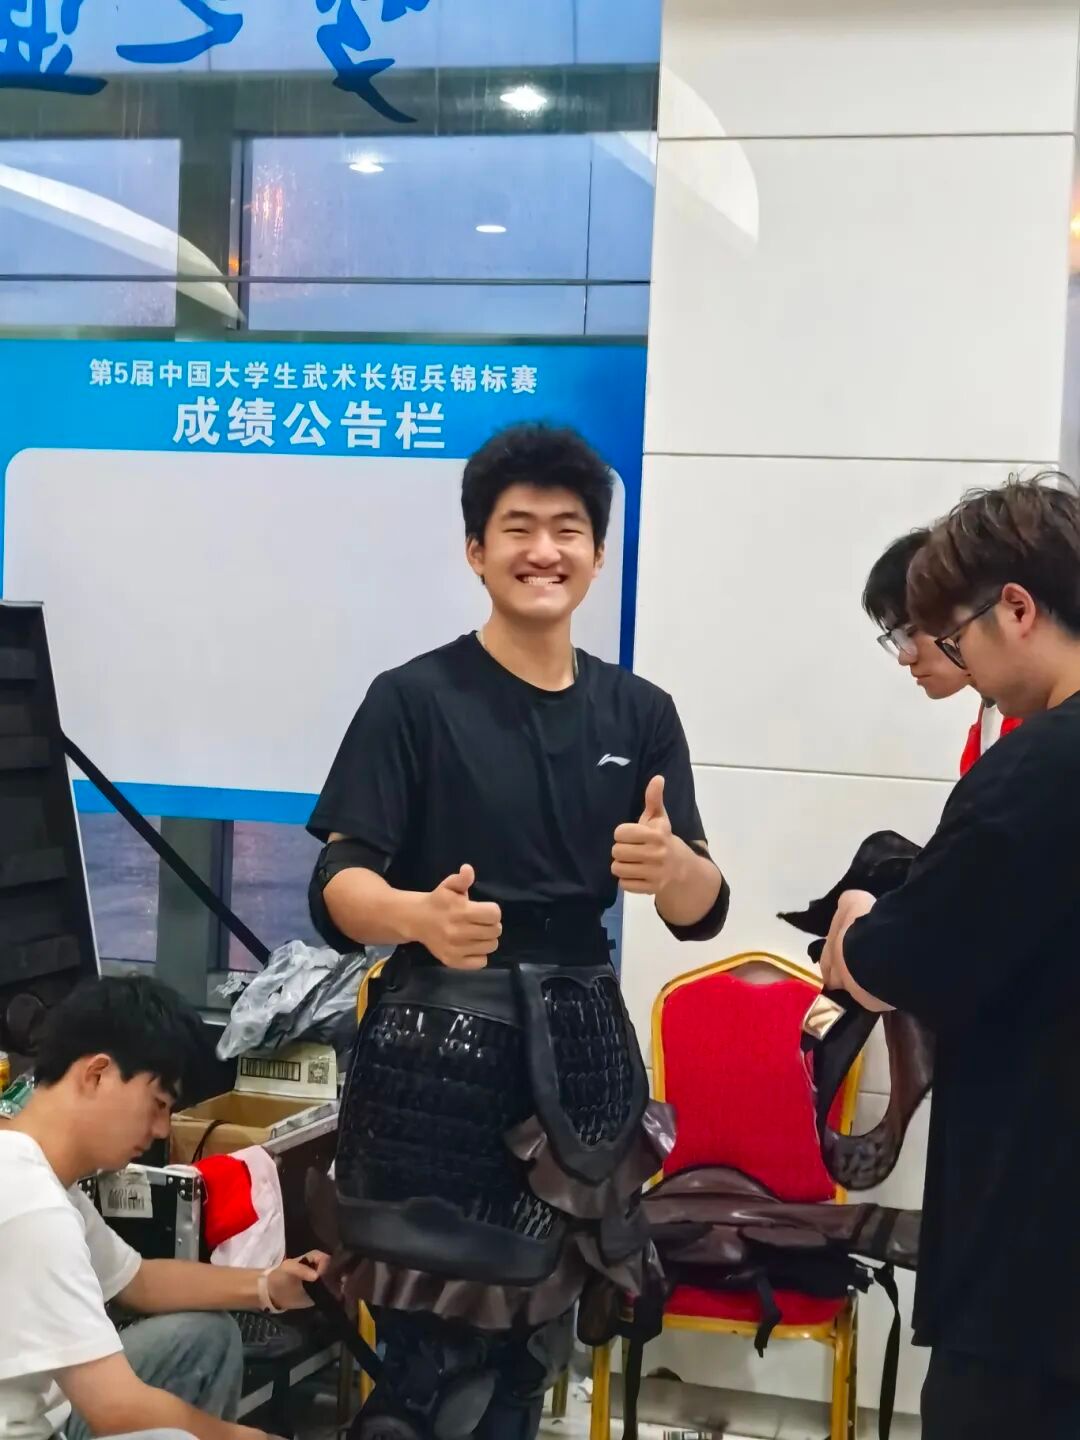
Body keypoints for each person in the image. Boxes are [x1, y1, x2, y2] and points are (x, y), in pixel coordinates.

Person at [307, 422, 729, 1440]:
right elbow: (336, 884)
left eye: (568, 530)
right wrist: (416, 915)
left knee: (532, 1350)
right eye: (519, 528)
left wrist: (670, 867)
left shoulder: (639, 712)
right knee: (431, 1365)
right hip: (437, 1048)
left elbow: (701, 905)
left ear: (597, 554)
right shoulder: (413, 699)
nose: (545, 550)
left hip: (580, 1052)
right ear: (476, 550)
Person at [820, 476, 1080, 1439]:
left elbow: (892, 963)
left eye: (956, 639)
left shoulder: (1039, 765)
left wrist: (857, 916)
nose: (959, 665)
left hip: (1035, 1255)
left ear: (1017, 608)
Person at [0, 976, 331, 1440]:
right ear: (97, 1074)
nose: (161, 1130)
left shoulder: (39, 1175)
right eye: (157, 1104)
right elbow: (115, 1408)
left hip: (46, 1412)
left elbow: (138, 1281)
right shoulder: (31, 1203)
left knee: (204, 1337)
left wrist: (268, 1285)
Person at [862, 528, 1020, 771]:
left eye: (910, 632)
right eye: (896, 639)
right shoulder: (990, 722)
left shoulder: (1041, 723)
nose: (904, 657)